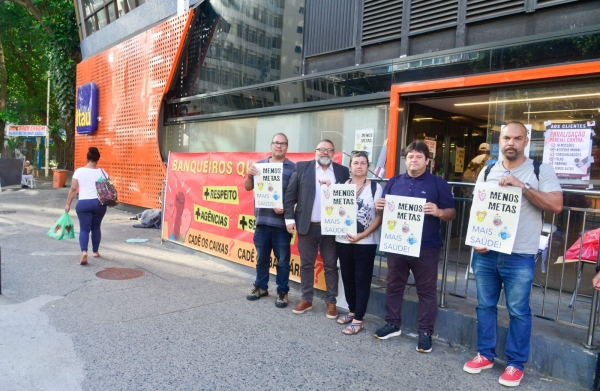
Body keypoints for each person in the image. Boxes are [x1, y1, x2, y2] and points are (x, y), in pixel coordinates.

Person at [463, 121, 562, 387]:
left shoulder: (541, 170)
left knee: (518, 311)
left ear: (525, 142)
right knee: (485, 306)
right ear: (500, 140)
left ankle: (515, 364)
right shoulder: (487, 170)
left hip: (520, 255)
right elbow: (478, 210)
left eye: (517, 138)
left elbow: (555, 205)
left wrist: (523, 186)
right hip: (486, 253)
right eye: (507, 138)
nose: (511, 143)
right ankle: (485, 354)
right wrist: (475, 239)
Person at [373, 141, 456, 353]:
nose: (414, 160)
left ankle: (425, 332)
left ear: (427, 161)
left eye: (419, 156)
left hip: (426, 247)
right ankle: (393, 324)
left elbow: (451, 213)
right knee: (393, 284)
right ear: (405, 159)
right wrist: (378, 206)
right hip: (397, 244)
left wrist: (438, 212)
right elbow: (383, 211)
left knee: (426, 290)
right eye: (410, 156)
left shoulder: (438, 184)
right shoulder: (394, 181)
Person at [284, 139, 350, 319]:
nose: (325, 153)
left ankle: (331, 302)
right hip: (307, 227)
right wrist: (289, 218)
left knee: (330, 266)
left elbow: (347, 199)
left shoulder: (342, 172)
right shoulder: (302, 167)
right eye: (322, 149)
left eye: (329, 150)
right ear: (316, 151)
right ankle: (306, 299)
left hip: (331, 229)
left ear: (334, 153)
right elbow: (290, 195)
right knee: (306, 265)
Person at [244, 133, 296, 308]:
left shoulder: (293, 168)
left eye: (282, 144)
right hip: (262, 222)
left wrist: (285, 207)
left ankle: (282, 292)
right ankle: (261, 287)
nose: (279, 146)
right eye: (276, 143)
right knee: (261, 259)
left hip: (282, 224)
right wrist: (250, 175)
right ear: (271, 145)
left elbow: (296, 195)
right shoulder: (259, 166)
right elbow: (247, 187)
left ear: (287, 147)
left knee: (282, 261)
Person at [335, 151, 382, 334]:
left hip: (366, 241)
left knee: (361, 279)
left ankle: (359, 319)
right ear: (350, 166)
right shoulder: (341, 186)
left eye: (363, 163)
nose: (359, 166)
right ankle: (352, 311)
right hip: (343, 240)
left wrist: (362, 235)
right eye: (356, 163)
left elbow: (379, 217)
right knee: (347, 277)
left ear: (368, 167)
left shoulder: (375, 188)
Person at [65, 147, 109, 265]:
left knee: (84, 229)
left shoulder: (79, 171)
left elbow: (73, 189)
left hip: (84, 203)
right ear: (97, 159)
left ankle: (84, 251)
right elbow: (106, 190)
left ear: (87, 158)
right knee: (96, 227)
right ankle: (95, 252)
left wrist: (67, 204)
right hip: (99, 204)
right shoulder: (103, 172)